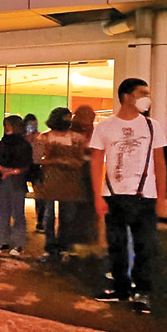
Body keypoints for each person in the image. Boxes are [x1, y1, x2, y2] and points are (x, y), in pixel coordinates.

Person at [90, 79, 167, 315]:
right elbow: (96, 162)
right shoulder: (104, 127)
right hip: (113, 195)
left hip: (145, 196)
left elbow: (160, 163)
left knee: (145, 246)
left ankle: (143, 292)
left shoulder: (152, 126)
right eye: (142, 93)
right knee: (116, 245)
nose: (147, 97)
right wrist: (98, 196)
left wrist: (162, 198)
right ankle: (120, 288)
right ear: (126, 97)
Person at [33, 107, 87, 262]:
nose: (68, 121)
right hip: (50, 181)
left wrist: (62, 161)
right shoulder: (44, 137)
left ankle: (63, 247)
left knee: (67, 216)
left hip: (69, 182)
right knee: (49, 217)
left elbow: (80, 161)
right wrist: (60, 161)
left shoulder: (76, 138)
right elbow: (38, 160)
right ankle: (51, 249)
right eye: (66, 118)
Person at [0, 116, 33, 257]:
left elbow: (26, 165)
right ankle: (3, 240)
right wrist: (2, 170)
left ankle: (18, 243)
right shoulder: (3, 142)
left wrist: (11, 171)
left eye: (9, 125)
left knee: (17, 212)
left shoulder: (24, 144)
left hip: (17, 181)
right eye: (5, 125)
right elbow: (1, 159)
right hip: (3, 180)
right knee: (2, 211)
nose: (7, 128)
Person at [70, 106, 99, 250]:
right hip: (81, 171)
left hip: (84, 171)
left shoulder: (85, 131)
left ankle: (81, 237)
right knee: (82, 205)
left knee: (82, 206)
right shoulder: (77, 131)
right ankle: (82, 237)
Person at [24, 113, 46, 232]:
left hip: (36, 166)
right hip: (23, 166)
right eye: (29, 125)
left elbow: (42, 153)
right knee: (18, 194)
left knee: (40, 196)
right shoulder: (21, 138)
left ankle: (40, 221)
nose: (32, 128)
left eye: (34, 125)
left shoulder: (41, 137)